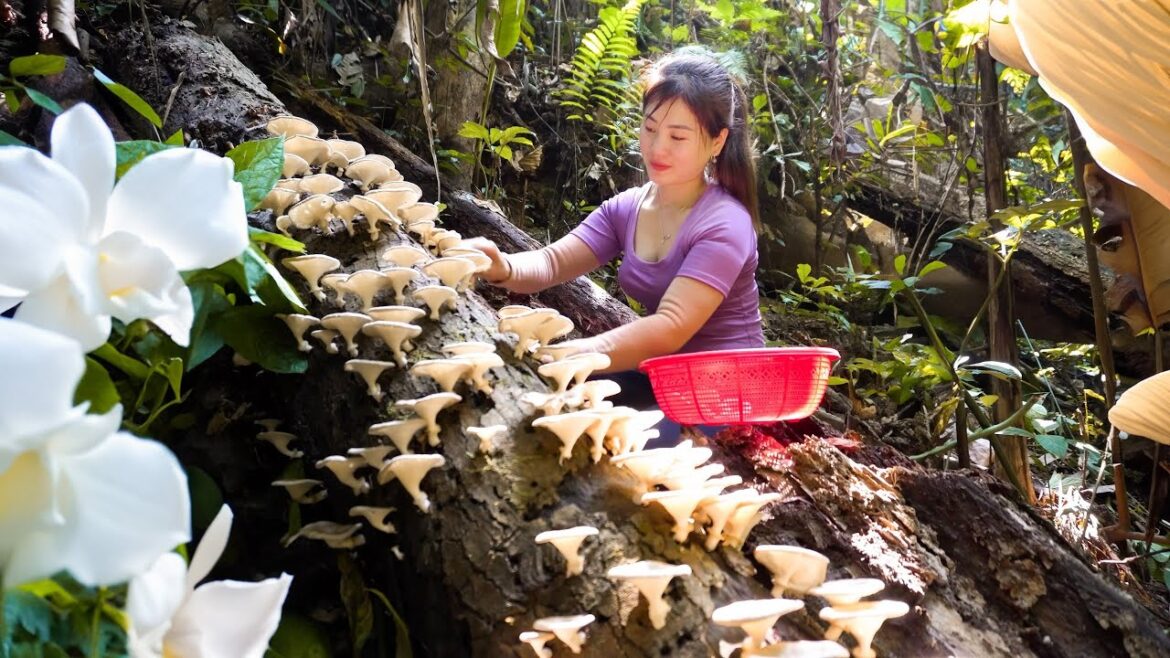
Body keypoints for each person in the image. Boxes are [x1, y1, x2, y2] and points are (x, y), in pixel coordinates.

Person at [465, 51, 764, 443]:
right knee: (545, 403)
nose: (658, 148)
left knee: (607, 441)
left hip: (730, 393)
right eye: (650, 128)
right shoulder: (628, 208)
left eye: (678, 136)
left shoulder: (725, 223)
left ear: (717, 140)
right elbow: (553, 262)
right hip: (667, 376)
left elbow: (670, 327)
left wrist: (580, 352)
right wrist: (502, 267)